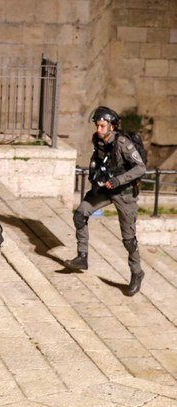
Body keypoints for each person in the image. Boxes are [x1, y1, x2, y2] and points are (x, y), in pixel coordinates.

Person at [64, 106, 146, 296]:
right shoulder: (99, 141)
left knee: (129, 240)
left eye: (102, 126)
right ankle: (82, 256)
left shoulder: (124, 143)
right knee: (80, 213)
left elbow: (140, 168)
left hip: (124, 193)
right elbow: (98, 160)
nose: (98, 129)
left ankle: (137, 272)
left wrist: (119, 180)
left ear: (112, 126)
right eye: (97, 126)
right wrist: (95, 176)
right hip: (105, 189)